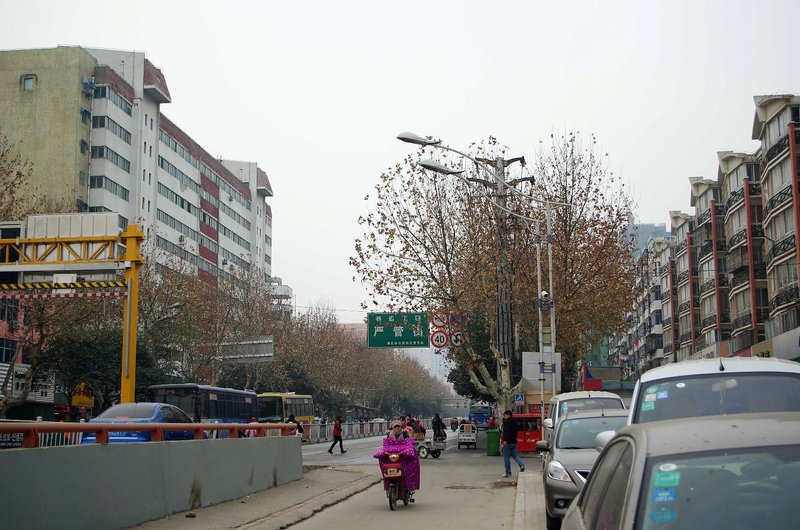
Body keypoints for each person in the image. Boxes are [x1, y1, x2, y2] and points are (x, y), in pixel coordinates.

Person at [500, 410, 525, 478]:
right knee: (515, 455)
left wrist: (505, 440)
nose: (504, 416)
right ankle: (521, 465)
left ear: (508, 415)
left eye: (504, 415)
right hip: (514, 441)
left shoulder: (507, 422)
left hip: (508, 442)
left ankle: (508, 472)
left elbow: (506, 432)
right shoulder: (514, 422)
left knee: (506, 458)